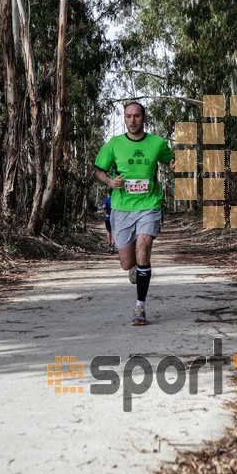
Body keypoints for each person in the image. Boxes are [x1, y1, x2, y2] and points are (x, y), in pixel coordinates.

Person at [94, 102, 175, 326]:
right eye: (128, 116)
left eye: (136, 116)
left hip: (149, 205)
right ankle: (135, 269)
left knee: (143, 249)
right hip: (121, 208)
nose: (132, 120)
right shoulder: (114, 144)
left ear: (144, 118)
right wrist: (110, 180)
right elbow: (99, 170)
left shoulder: (157, 143)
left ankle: (140, 307)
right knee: (127, 262)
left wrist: (176, 165)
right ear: (124, 118)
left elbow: (171, 161)